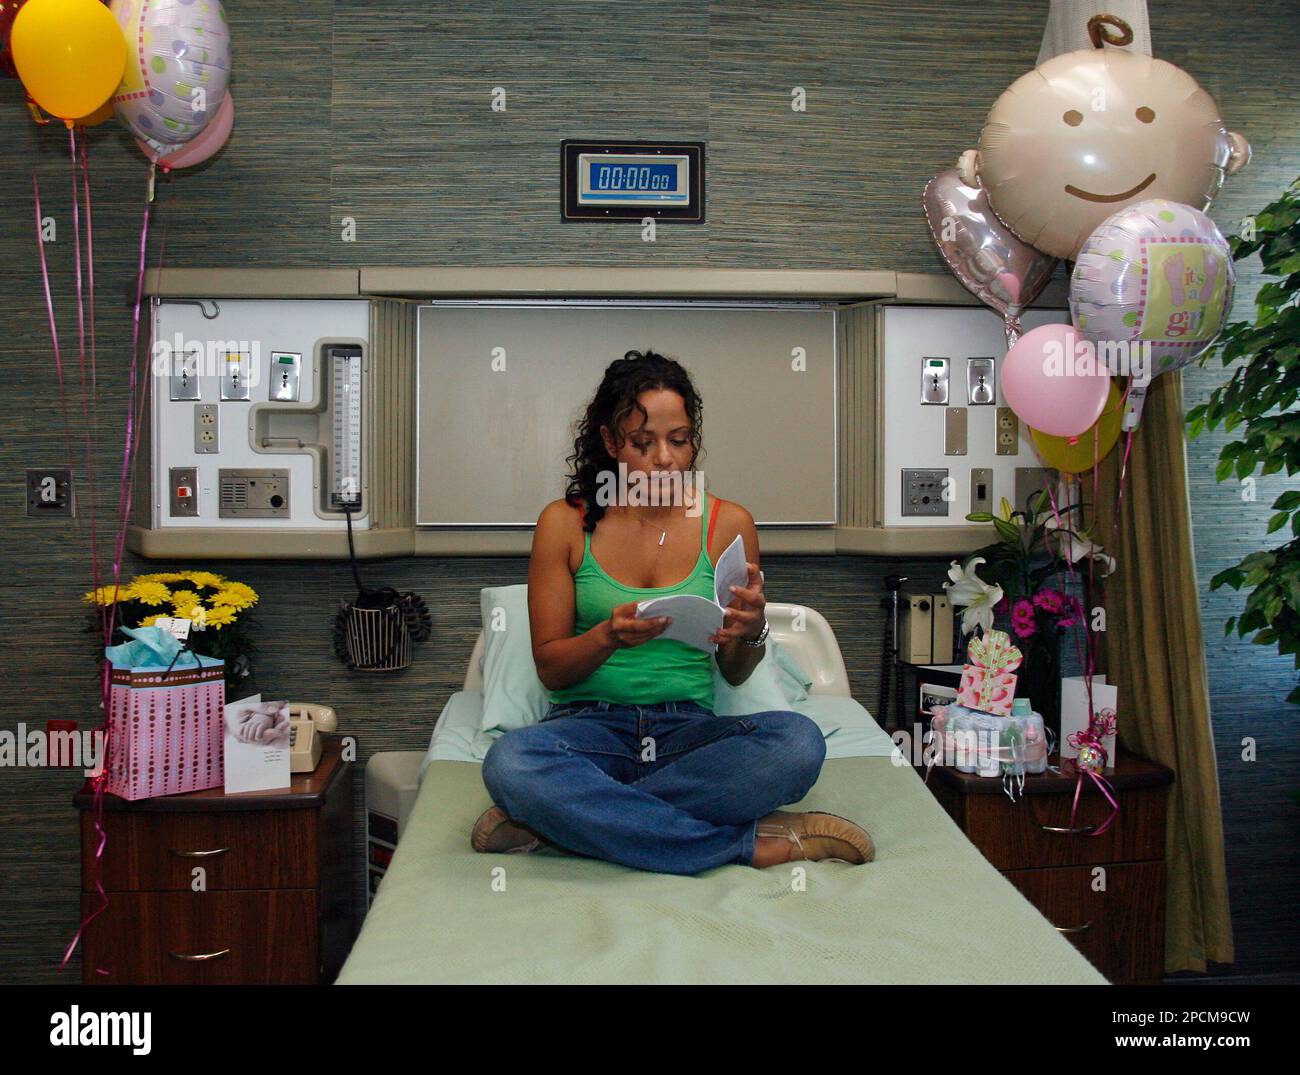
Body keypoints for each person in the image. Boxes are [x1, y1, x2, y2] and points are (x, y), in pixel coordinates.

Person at [471, 349, 874, 875]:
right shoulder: (563, 524)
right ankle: (744, 845)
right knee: (513, 763)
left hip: (689, 736)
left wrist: (749, 634)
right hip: (588, 731)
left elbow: (733, 670)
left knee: (798, 743)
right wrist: (606, 637)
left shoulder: (728, 523)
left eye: (679, 440)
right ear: (610, 440)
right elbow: (551, 668)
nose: (665, 459)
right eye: (642, 443)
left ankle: (562, 822)